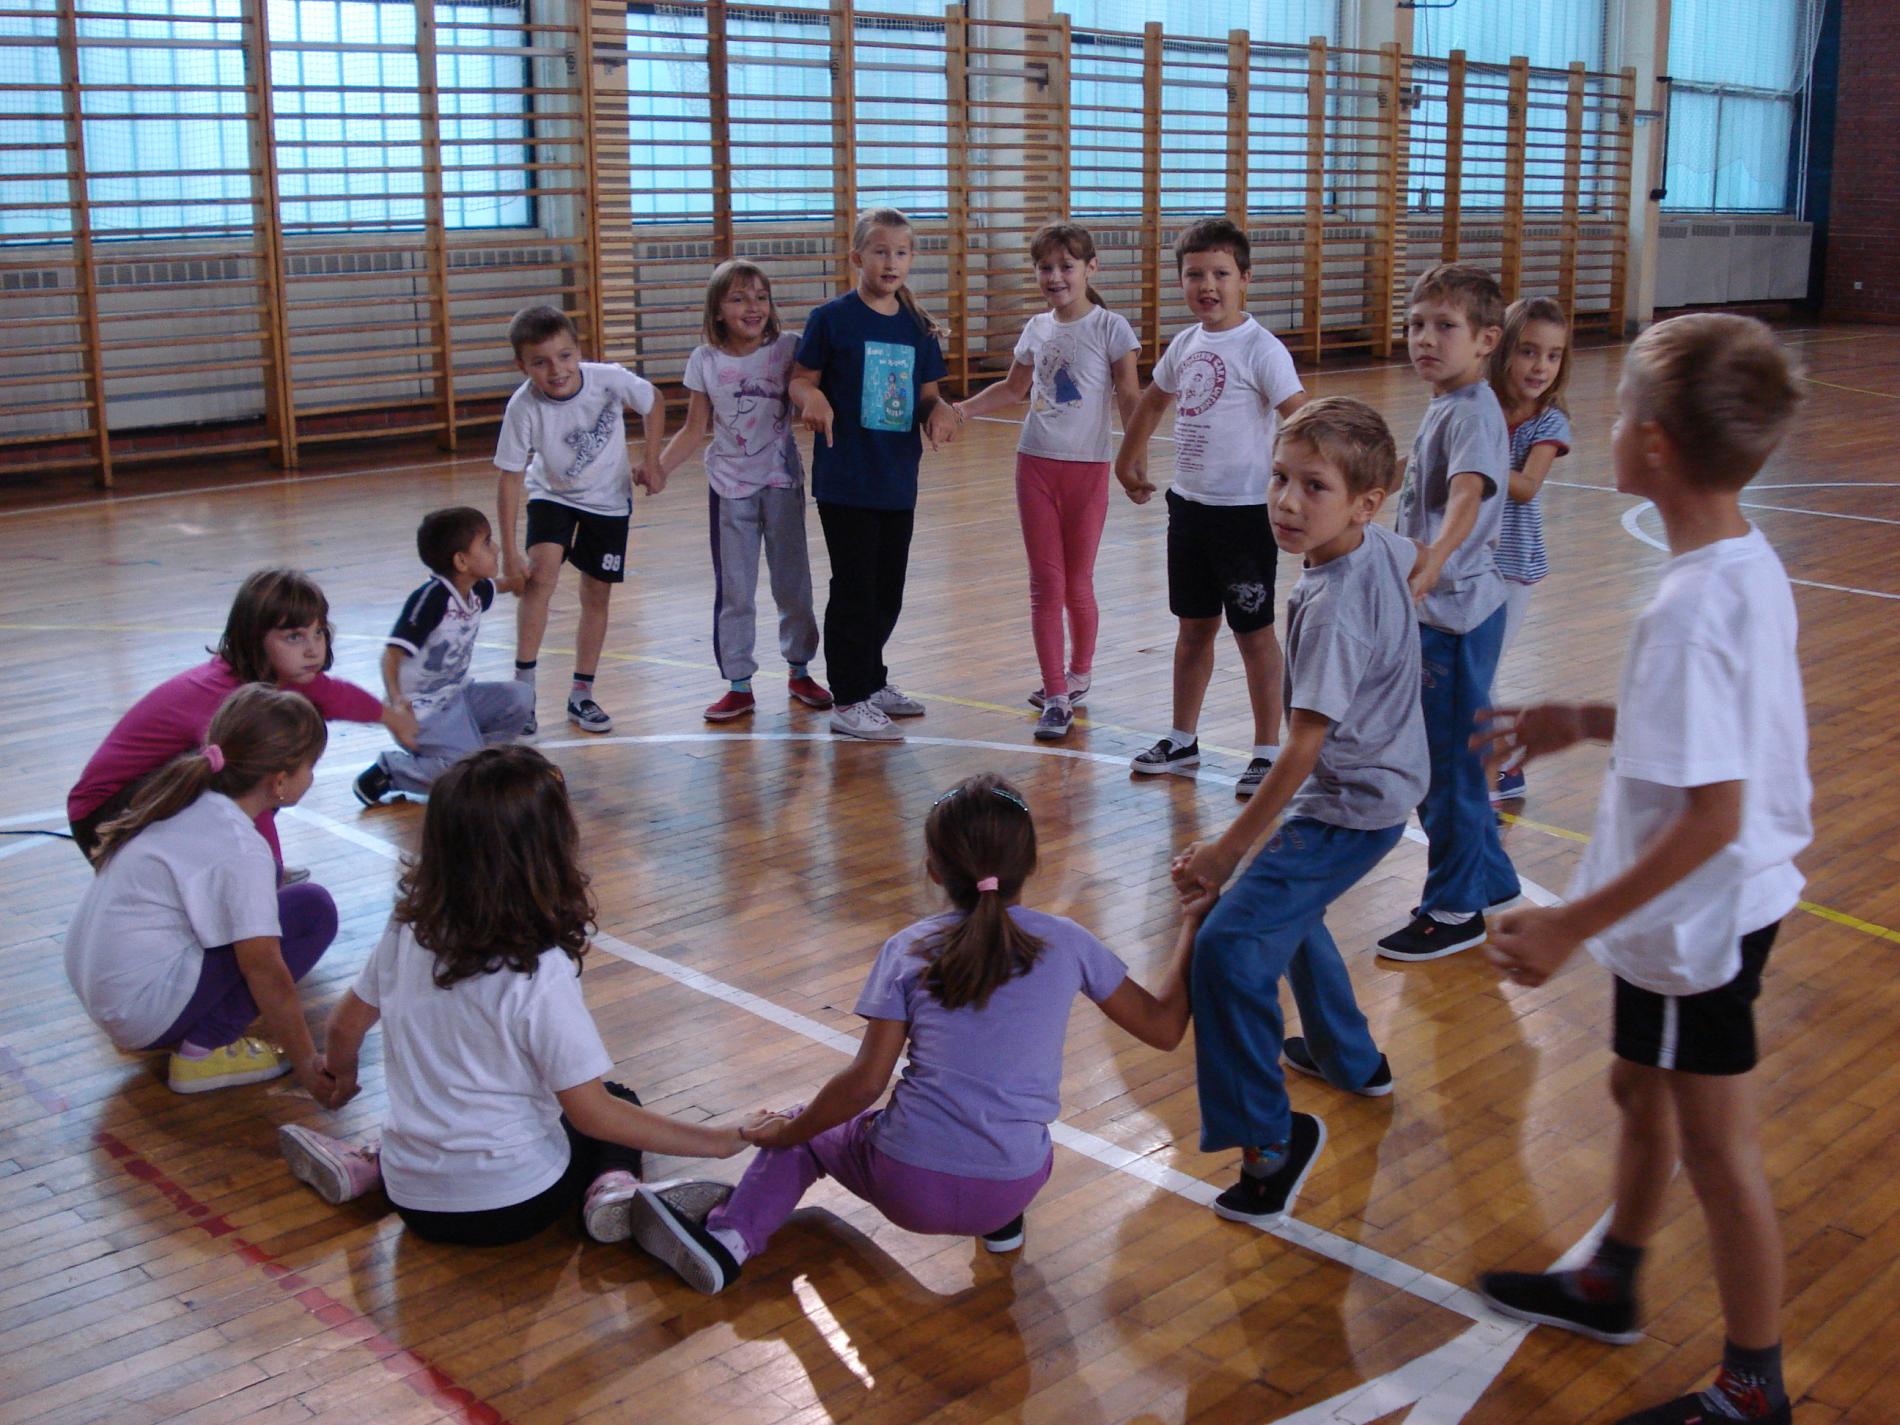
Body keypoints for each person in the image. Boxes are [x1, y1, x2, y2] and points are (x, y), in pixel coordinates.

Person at [1475, 314, 1809, 1425]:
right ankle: (1612, 1275)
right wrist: (1583, 718)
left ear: (1654, 446)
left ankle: (1752, 1388)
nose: (1608, 427)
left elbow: (1713, 814)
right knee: (1636, 1085)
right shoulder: (1741, 564)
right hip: (1724, 903)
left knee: (1718, 1150)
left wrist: (1568, 923)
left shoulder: (1688, 608)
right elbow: (1719, 739)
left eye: (1620, 413)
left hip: (1696, 919)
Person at [624, 772, 1209, 1293]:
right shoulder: (1069, 942)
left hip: (907, 1183)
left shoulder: (908, 949)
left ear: (932, 869)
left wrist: (789, 1131)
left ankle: (728, 1241)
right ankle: (1000, 1228)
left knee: (806, 1129)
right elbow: (1163, 1029)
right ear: (1032, 863)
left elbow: (864, 1084)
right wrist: (1192, 921)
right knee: (1010, 1121)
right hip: (1010, 1184)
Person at [278, 746, 769, 1247]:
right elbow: (593, 1114)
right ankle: (612, 1186)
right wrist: (719, 1140)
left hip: (415, 1202)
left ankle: (372, 1162)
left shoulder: (410, 929)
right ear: (546, 849)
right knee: (616, 1101)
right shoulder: (537, 968)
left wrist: (341, 1080)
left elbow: (344, 1026)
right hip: (515, 1204)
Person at [1171, 398, 1428, 1223]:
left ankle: (1271, 1141)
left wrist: (1223, 849)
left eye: (1313, 486)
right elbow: (1418, 556)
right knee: (1288, 909)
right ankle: (1349, 1059)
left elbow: (1302, 749)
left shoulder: (1335, 607)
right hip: (1379, 789)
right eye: (1280, 478)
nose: (1285, 501)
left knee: (1226, 947)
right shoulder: (1376, 545)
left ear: (1364, 503)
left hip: (1345, 806)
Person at [64, 684, 340, 1097]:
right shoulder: (240, 847)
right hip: (135, 1010)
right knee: (312, 910)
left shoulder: (185, 797)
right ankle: (202, 1053)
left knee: (271, 901)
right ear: (280, 782)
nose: (312, 776)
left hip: (107, 993)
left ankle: (181, 1024)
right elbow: (264, 969)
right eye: (310, 766)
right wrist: (307, 1062)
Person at [1112, 217, 1306, 796]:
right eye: (1195, 274)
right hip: (1189, 510)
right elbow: (1152, 402)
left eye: (1220, 274)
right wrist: (1127, 459)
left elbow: (1301, 416)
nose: (1207, 285)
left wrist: (1307, 487)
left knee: (1254, 634)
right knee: (1193, 629)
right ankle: (1182, 738)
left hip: (1244, 517)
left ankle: (1268, 751)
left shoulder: (1262, 349)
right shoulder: (1185, 344)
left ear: (1245, 279)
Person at [67, 567, 417, 867]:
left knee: (278, 749)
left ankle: (239, 871)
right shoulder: (223, 696)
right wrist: (268, 876)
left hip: (141, 802)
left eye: (319, 632)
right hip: (107, 818)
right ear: (254, 639)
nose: (313, 649)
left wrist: (393, 718)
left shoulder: (279, 676)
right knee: (262, 766)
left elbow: (334, 694)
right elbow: (253, 795)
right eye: (294, 637)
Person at [1374, 263, 1521, 962]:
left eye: (1445, 326)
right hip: (1446, 613)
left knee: (1447, 772)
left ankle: (1455, 910)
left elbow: (1467, 492)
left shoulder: (1470, 413)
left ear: (1487, 339)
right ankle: (1489, 880)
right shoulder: (1451, 403)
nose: (1425, 339)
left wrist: (1433, 558)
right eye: (1416, 325)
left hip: (1455, 619)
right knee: (1447, 762)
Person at [953, 223, 1140, 740]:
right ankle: (1055, 694)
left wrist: (1134, 460)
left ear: (1090, 268)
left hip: (1088, 470)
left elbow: (1130, 397)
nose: (1055, 277)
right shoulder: (1036, 328)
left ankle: (1079, 673)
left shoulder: (1111, 328)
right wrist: (960, 411)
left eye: (1066, 266)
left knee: (1078, 582)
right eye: (1045, 267)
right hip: (1035, 465)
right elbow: (1012, 388)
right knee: (1045, 584)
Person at [788, 208, 960, 743]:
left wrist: (938, 413)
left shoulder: (916, 325)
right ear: (857, 258)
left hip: (896, 480)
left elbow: (928, 395)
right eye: (880, 251)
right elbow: (800, 379)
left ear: (912, 260)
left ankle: (871, 679)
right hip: (846, 481)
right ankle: (849, 699)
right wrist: (812, 398)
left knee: (888, 590)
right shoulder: (831, 319)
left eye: (901, 252)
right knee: (855, 589)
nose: (891, 262)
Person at [657, 259, 832, 723]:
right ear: (717, 311)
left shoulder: (789, 347)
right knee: (736, 589)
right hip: (729, 487)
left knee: (793, 583)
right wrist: (660, 468)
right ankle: (738, 683)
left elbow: (818, 383)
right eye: (738, 299)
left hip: (781, 482)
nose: (752, 307)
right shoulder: (705, 360)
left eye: (760, 297)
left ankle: (799, 669)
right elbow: (694, 428)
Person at [494, 304, 666, 737]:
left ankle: (581, 693)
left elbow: (654, 401)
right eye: (540, 362)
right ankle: (523, 692)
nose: (556, 370)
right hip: (552, 494)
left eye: (565, 356)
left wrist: (652, 460)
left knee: (596, 594)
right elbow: (509, 479)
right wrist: (510, 553)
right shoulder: (523, 407)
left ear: (579, 351)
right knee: (540, 578)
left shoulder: (607, 380)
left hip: (608, 502)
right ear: (521, 366)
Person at [352, 506, 532, 806]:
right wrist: (397, 702)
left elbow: (500, 586)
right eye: (487, 542)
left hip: (456, 696)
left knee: (521, 697)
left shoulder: (475, 591)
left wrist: (519, 582)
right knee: (461, 774)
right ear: (461, 561)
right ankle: (391, 771)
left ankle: (482, 764)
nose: (496, 548)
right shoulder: (431, 600)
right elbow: (391, 655)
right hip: (421, 710)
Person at [1486, 296, 1573, 803]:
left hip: (1512, 567)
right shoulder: (1478, 403)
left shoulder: (1549, 422)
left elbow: (1526, 486)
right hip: (1468, 560)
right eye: (1528, 352)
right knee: (1464, 668)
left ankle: (1506, 767)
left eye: (1553, 355)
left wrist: (1472, 459)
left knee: (1481, 669)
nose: (1541, 366)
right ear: (1502, 351)